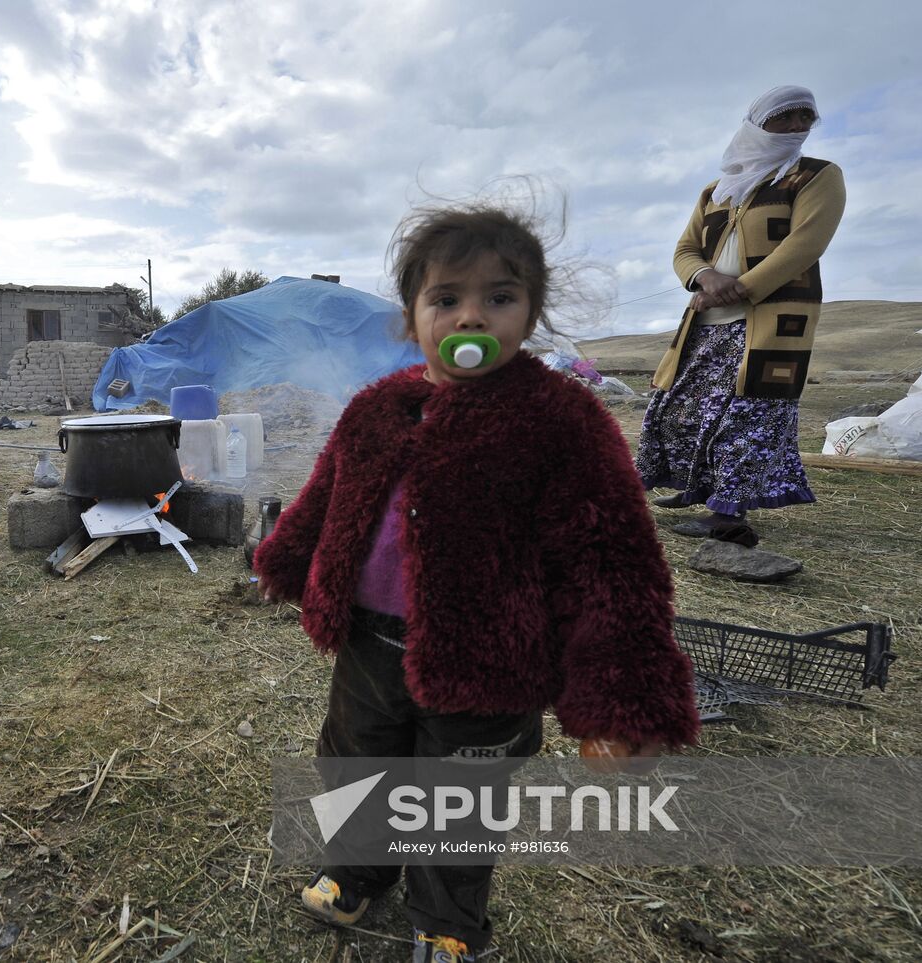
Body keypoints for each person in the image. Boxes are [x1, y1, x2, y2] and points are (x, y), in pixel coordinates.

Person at [252, 201, 700, 962]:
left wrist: (621, 698)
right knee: (357, 761)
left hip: (491, 663)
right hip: (370, 644)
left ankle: (448, 918)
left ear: (531, 311)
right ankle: (357, 871)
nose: (474, 316)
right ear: (411, 315)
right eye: (447, 297)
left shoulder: (561, 419)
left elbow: (610, 558)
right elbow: (329, 492)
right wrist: (289, 559)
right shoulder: (378, 408)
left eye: (500, 297)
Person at [637, 86, 846, 546]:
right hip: (706, 318)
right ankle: (697, 486)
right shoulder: (716, 191)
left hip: (771, 319)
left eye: (804, 118)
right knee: (681, 404)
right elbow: (685, 250)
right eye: (783, 117)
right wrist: (705, 278)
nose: (795, 127)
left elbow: (804, 246)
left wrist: (739, 290)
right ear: (756, 122)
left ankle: (728, 513)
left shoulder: (815, 176)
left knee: (750, 412)